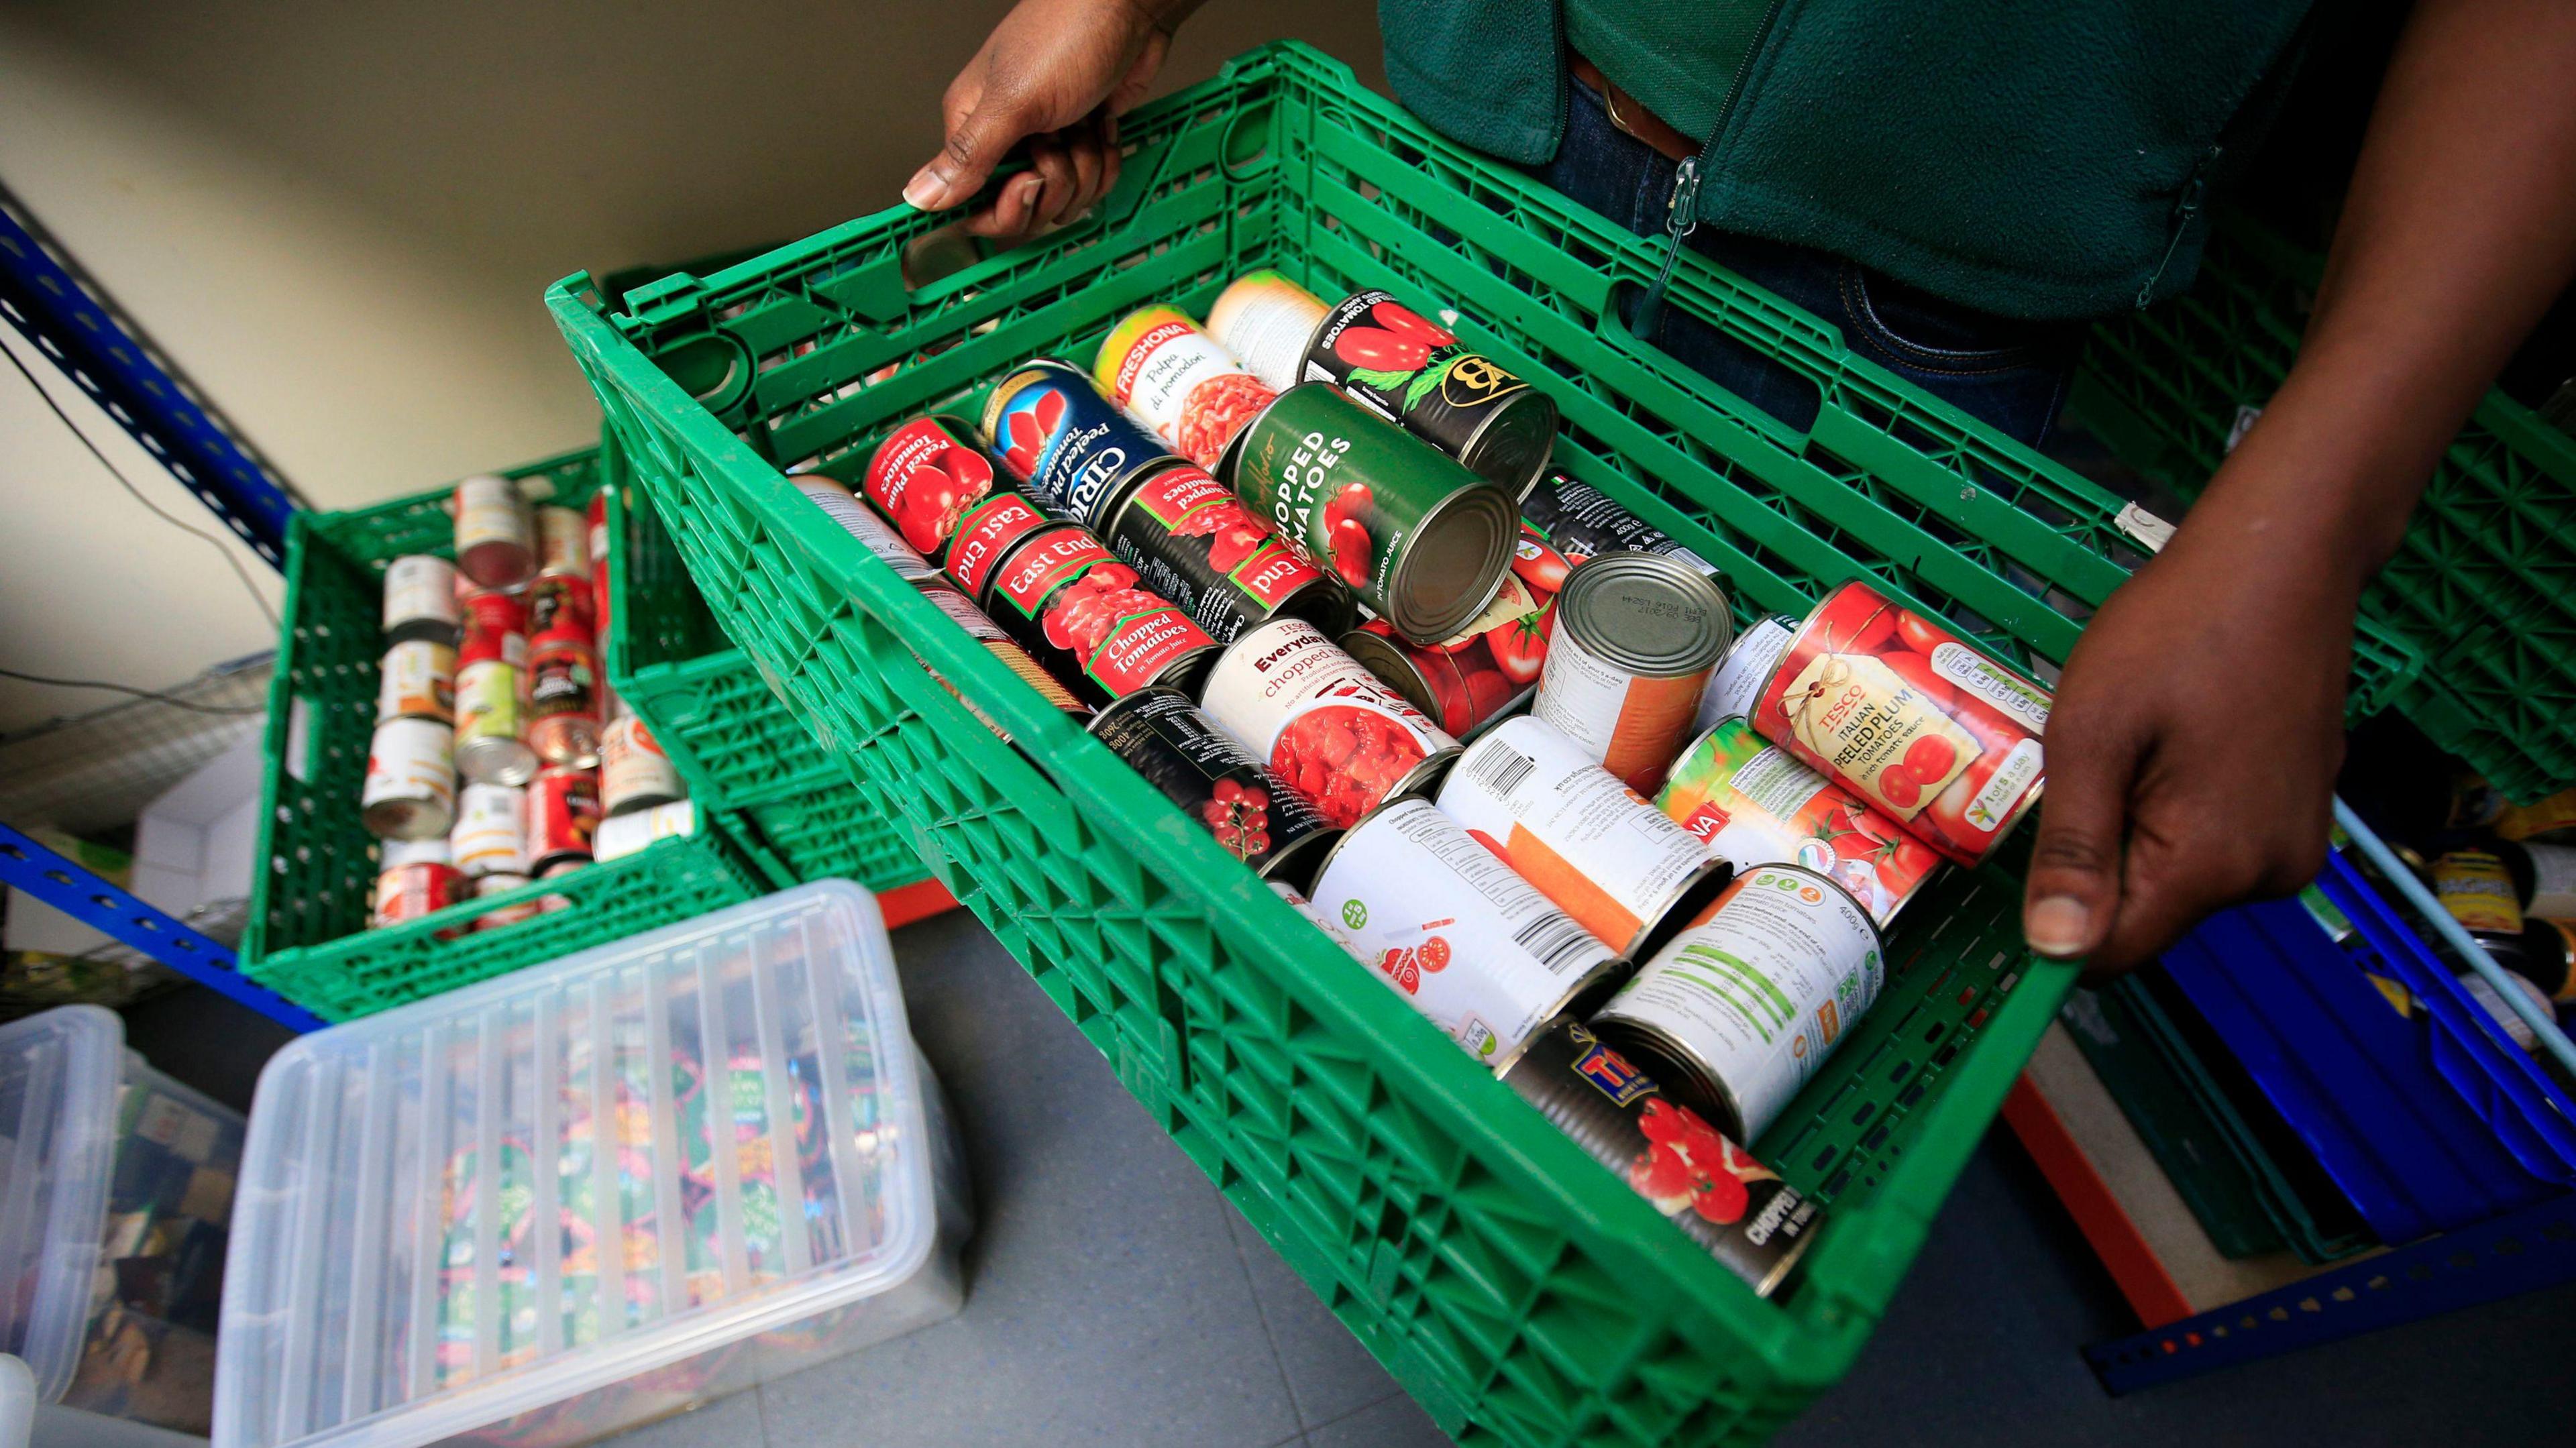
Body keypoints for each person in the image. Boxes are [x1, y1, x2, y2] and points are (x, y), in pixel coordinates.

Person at [900, 0, 2576, 974]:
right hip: (1482, 126)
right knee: (1437, 677)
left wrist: (2310, 528)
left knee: (1801, 817)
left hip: (1943, 291)